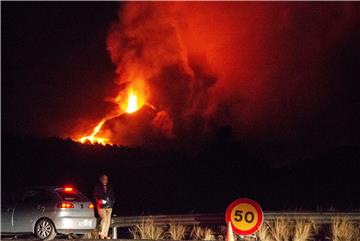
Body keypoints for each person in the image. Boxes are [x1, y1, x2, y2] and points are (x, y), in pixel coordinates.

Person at [93, 174, 115, 239]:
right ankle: (101, 233)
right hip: (101, 206)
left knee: (108, 220)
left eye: (106, 179)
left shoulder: (109, 187)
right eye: (104, 179)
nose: (106, 180)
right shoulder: (97, 187)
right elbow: (94, 196)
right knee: (104, 218)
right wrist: (99, 201)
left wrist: (112, 202)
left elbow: (112, 196)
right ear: (101, 180)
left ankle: (105, 234)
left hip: (109, 206)